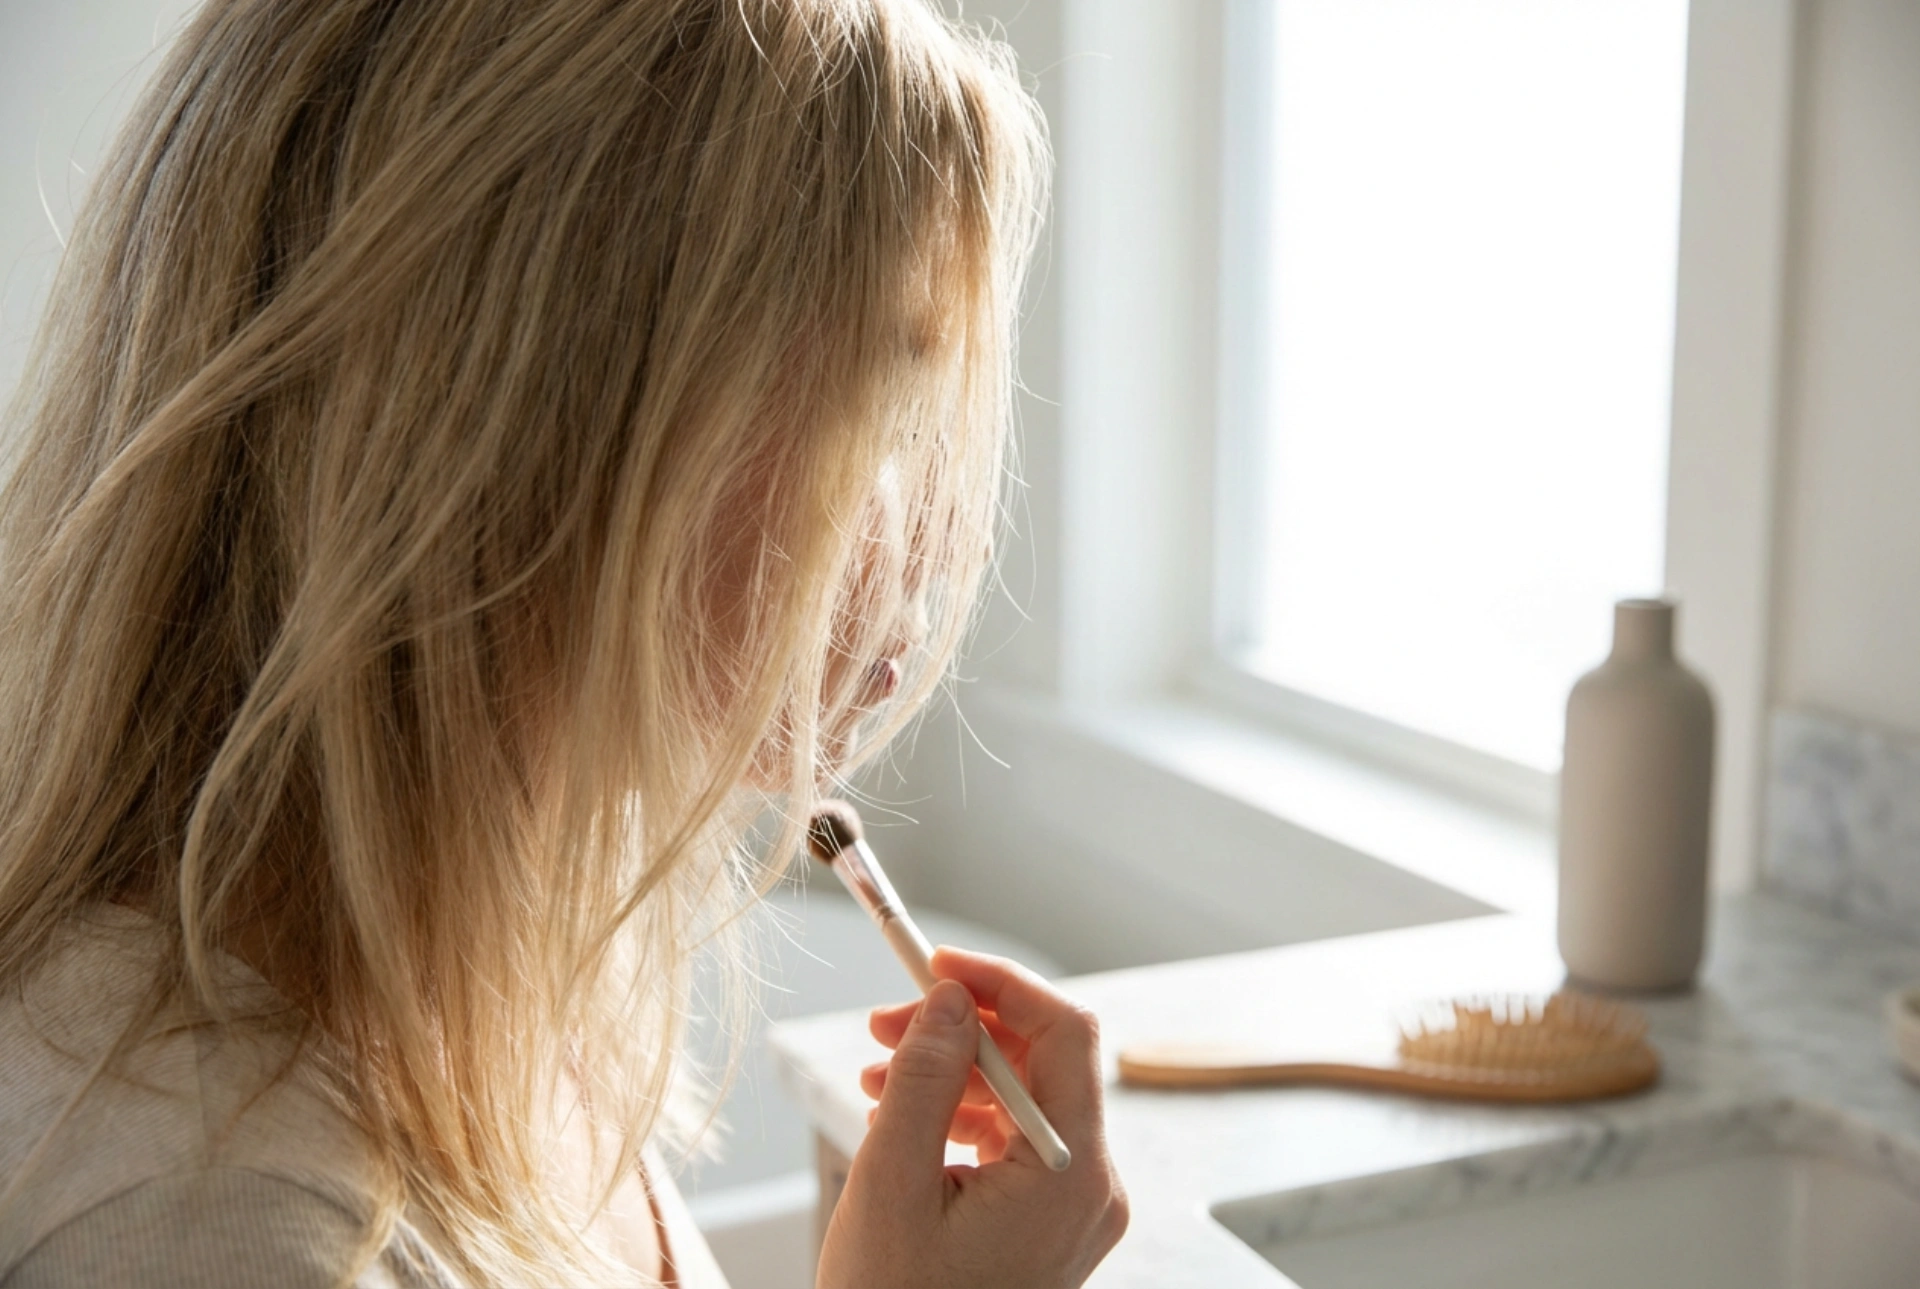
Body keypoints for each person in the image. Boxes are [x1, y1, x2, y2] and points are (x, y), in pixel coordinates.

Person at [0, 0, 1128, 1285]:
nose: (945, 546)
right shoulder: (205, 1226)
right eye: (887, 410)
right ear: (558, 415)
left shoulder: (490, 971)